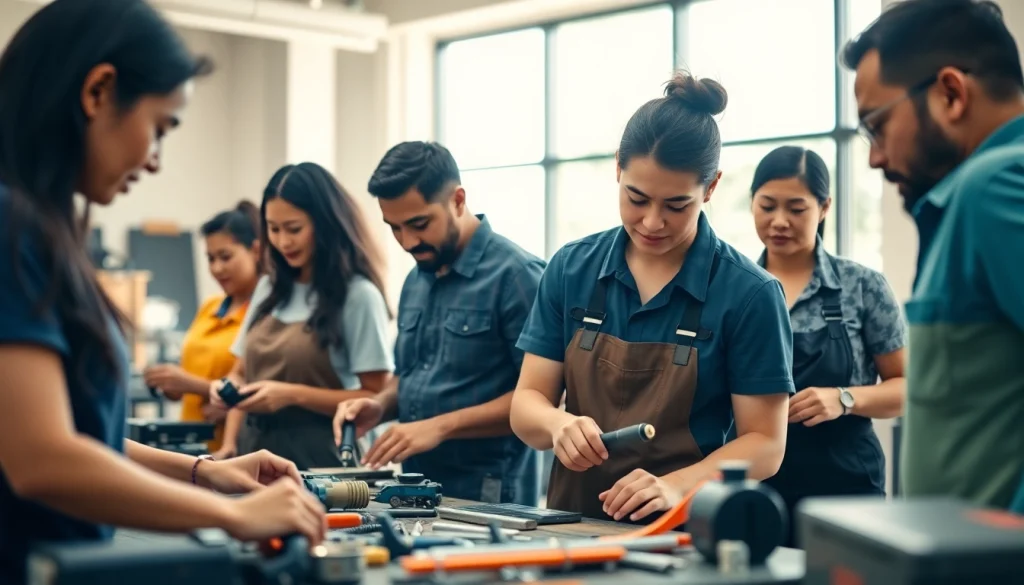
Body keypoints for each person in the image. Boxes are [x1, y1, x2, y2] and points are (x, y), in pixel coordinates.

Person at [0, 1, 325, 582]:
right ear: (99, 92)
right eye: (159, 128)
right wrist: (234, 516)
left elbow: (77, 436)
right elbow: (41, 458)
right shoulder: (10, 226)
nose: (154, 160)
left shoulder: (33, 226)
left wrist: (204, 473)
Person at [509, 72, 794, 522]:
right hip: (569, 530)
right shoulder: (571, 268)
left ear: (712, 187)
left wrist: (678, 485)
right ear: (617, 167)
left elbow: (765, 443)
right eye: (636, 198)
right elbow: (526, 404)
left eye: (677, 205)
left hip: (683, 532)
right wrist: (557, 424)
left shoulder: (750, 294)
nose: (652, 222)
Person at [842, 0, 1024, 513]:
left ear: (950, 93)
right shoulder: (970, 197)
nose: (875, 157)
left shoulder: (994, 187)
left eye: (876, 125)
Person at [332, 141, 545, 505]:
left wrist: (441, 426)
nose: (407, 242)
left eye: (418, 224)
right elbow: (410, 375)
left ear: (458, 200)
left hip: (491, 495)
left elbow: (545, 398)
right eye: (394, 228)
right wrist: (379, 405)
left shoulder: (518, 277)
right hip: (417, 491)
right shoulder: (417, 278)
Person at [748, 145, 907, 546]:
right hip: (757, 487)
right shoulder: (735, 288)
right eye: (767, 206)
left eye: (796, 209)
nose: (779, 221)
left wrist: (844, 398)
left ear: (824, 208)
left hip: (847, 486)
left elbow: (907, 388)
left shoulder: (862, 286)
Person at [210, 162, 394, 468]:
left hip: (327, 466)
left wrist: (292, 396)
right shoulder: (268, 286)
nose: (283, 242)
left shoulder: (358, 295)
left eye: (294, 229)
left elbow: (374, 396)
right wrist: (224, 389)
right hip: (257, 457)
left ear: (324, 224)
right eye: (274, 229)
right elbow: (241, 372)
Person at [143, 202, 262, 453]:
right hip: (192, 446)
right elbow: (193, 375)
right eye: (210, 258)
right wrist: (172, 385)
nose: (217, 268)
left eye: (226, 257)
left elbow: (256, 383)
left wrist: (193, 384)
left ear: (256, 251)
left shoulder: (264, 315)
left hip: (235, 449)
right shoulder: (210, 308)